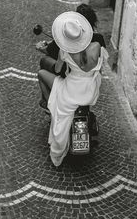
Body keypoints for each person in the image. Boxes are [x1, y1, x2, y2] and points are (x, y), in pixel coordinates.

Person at [38, 11, 108, 166]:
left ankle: (50, 106)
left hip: (71, 93)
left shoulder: (65, 50)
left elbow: (57, 70)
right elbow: (101, 67)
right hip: (90, 91)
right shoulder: (97, 46)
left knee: (42, 74)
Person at [37, 4, 106, 110]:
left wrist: (41, 48)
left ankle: (48, 103)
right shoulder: (99, 40)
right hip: (91, 85)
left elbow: (54, 60)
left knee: (44, 61)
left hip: (70, 80)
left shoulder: (66, 44)